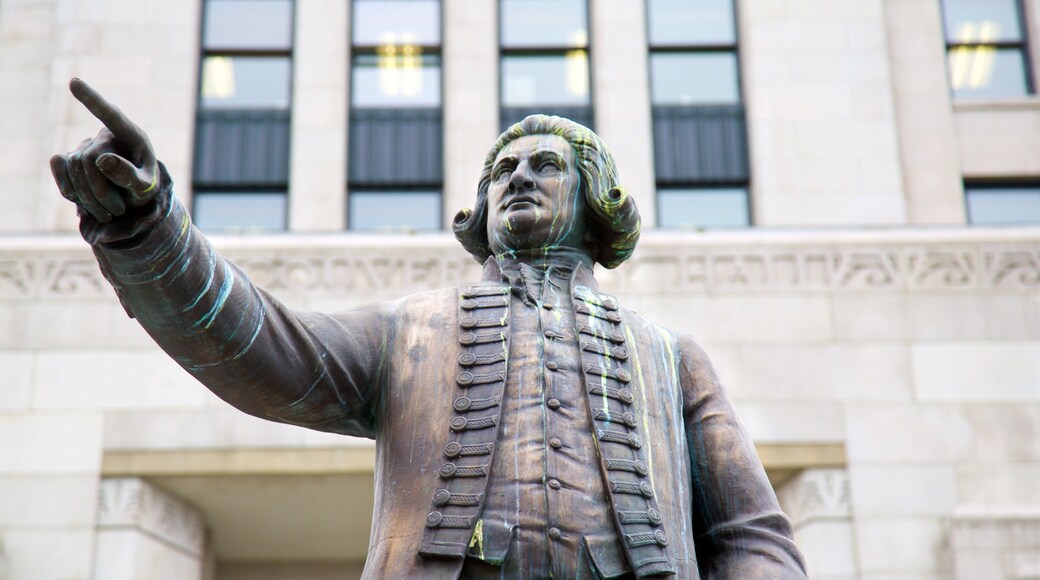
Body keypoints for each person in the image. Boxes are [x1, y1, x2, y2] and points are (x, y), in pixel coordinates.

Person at [51, 78, 806, 579]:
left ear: (596, 199)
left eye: (546, 166)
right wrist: (147, 227)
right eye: (502, 171)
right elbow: (257, 345)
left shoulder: (669, 358)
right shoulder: (411, 331)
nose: (518, 177)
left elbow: (753, 536)